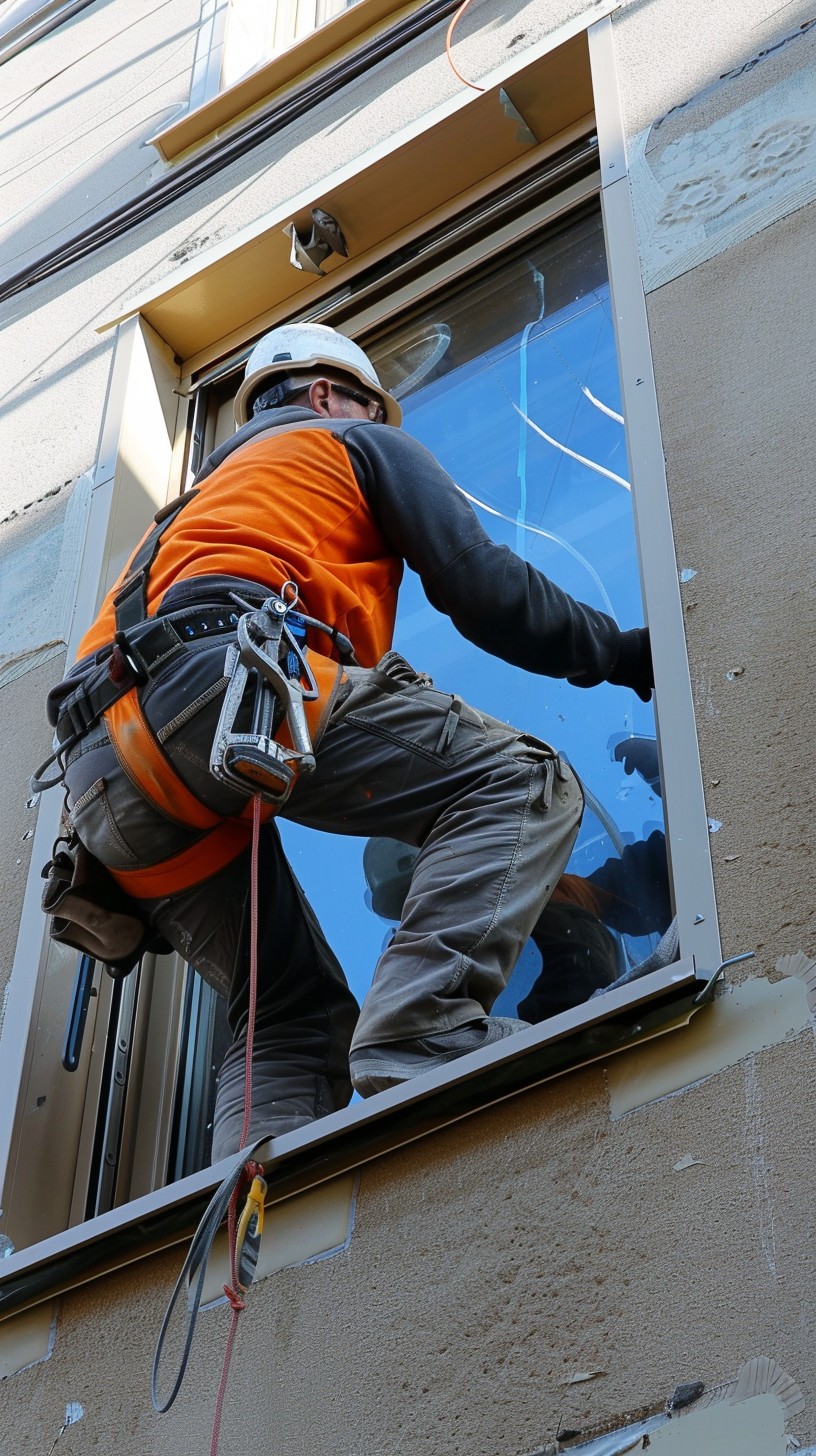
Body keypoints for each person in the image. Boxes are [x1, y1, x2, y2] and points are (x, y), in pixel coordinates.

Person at [44, 322, 653, 1159]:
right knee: (522, 784)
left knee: (281, 1012)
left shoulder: (186, 514)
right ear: (329, 394)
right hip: (226, 683)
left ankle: (262, 1202)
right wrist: (619, 654)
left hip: (103, 783)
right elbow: (483, 586)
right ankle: (423, 1026)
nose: (387, 422)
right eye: (377, 405)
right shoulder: (348, 440)